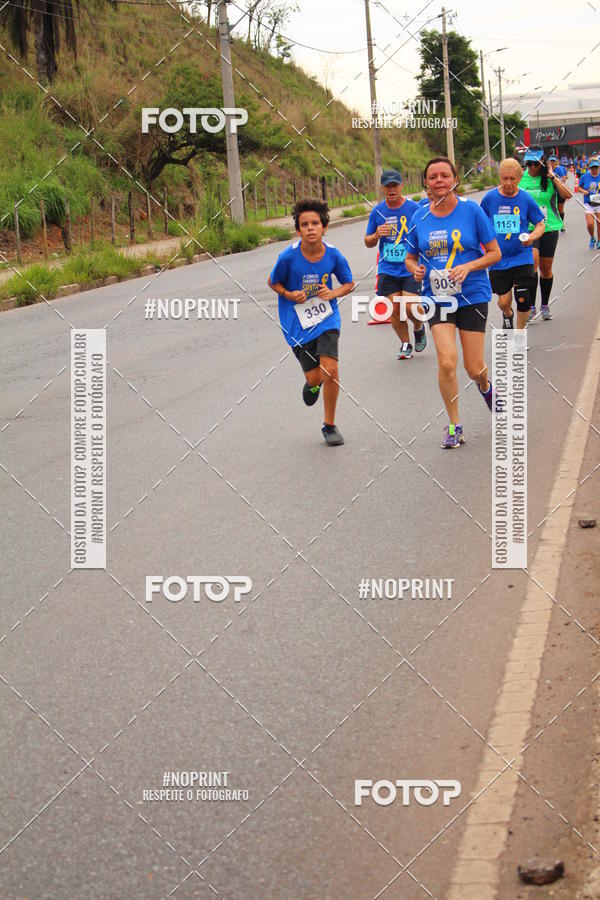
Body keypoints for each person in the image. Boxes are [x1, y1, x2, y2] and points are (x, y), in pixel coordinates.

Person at [405, 157, 502, 449]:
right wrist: (414, 269)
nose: (438, 181)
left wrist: (469, 267)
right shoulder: (419, 217)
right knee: (447, 362)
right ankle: (454, 425)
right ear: (426, 183)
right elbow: (410, 256)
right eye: (432, 176)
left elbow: (494, 253)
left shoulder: (471, 211)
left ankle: (485, 388)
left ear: (455, 180)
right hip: (437, 298)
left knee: (474, 368)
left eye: (444, 175)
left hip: (472, 294)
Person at [268, 198, 354, 446]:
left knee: (331, 370)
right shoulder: (288, 258)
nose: (310, 228)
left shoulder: (334, 255)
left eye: (315, 223)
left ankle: (329, 426)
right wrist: (289, 294)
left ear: (324, 227)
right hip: (297, 325)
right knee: (315, 377)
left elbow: (348, 283)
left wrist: (333, 293)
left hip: (327, 319)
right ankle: (312, 384)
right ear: (298, 230)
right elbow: (273, 282)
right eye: (304, 224)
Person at [364, 169, 426, 359]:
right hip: (388, 268)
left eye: (395, 186)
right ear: (382, 188)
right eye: (388, 186)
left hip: (409, 265)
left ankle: (418, 326)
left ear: (402, 186)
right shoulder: (378, 211)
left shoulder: (415, 209)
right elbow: (367, 241)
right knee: (395, 308)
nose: (392, 189)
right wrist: (376, 235)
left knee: (410, 306)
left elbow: (425, 235)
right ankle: (405, 343)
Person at [481, 158, 546, 331]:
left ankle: (519, 333)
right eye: (504, 178)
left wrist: (532, 237)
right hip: (498, 259)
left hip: (522, 256)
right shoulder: (490, 198)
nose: (508, 182)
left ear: (519, 177)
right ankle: (508, 314)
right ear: (500, 177)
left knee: (523, 296)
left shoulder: (525, 198)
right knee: (503, 302)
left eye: (512, 178)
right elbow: (480, 224)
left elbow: (540, 223)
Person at [519, 145, 571, 321]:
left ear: (542, 162)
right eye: (529, 163)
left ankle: (545, 305)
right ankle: (531, 306)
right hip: (529, 229)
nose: (532, 167)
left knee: (546, 268)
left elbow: (568, 194)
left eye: (535, 163)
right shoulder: (521, 178)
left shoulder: (549, 178)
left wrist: (553, 177)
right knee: (532, 264)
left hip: (549, 227)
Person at [576, 156, 600, 249]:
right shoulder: (585, 176)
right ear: (589, 167)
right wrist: (583, 191)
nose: (594, 169)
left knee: (599, 223)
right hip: (588, 203)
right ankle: (592, 237)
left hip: (599, 203)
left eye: (596, 167)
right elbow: (579, 187)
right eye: (592, 167)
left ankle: (599, 240)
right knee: (590, 224)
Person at [548, 155, 568, 232]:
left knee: (560, 210)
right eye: (551, 161)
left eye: (553, 161)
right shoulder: (547, 170)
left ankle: (562, 224)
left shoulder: (559, 169)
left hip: (559, 191)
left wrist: (555, 179)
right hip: (551, 192)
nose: (552, 163)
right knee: (552, 209)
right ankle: (553, 224)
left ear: (556, 162)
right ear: (548, 162)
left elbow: (564, 179)